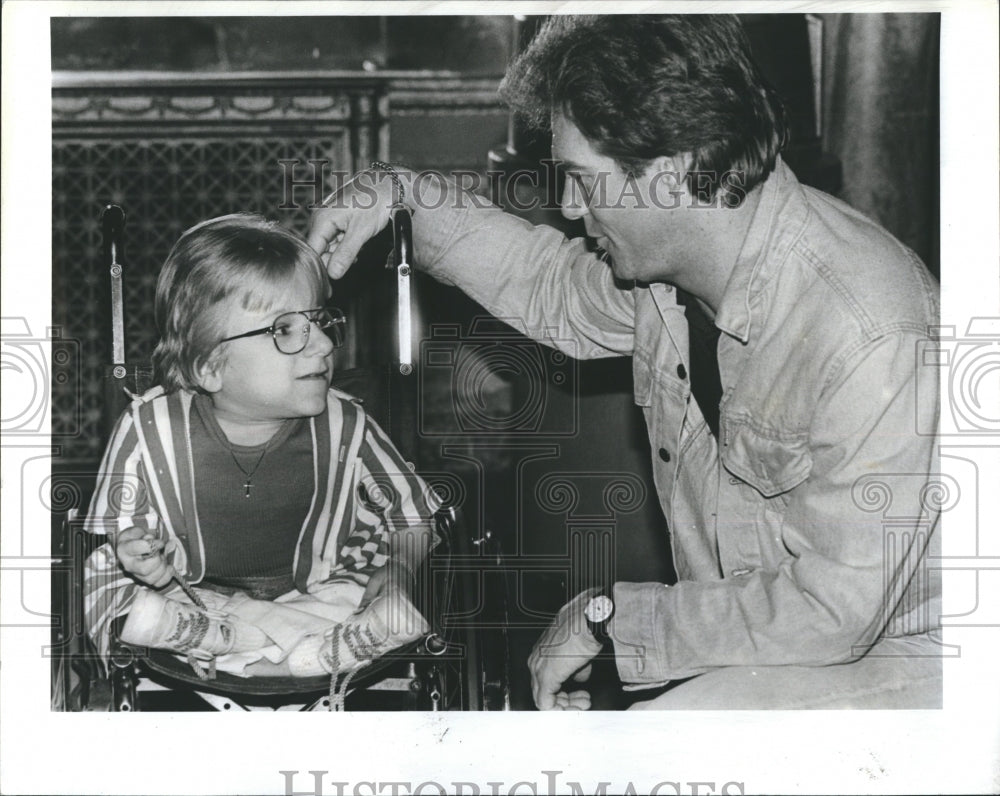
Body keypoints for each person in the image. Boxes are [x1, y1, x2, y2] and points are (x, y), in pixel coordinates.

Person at [307, 15, 941, 709]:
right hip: (783, 651)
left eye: (580, 179)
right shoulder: (674, 273)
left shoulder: (871, 329)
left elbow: (831, 611)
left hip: (907, 669)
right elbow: (548, 286)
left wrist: (612, 619)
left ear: (667, 173)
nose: (571, 208)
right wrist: (401, 194)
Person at [83, 213, 438, 680]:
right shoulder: (149, 428)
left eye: (320, 321)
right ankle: (294, 653)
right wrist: (139, 555)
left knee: (367, 586)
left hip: (318, 594)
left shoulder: (347, 424)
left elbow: (414, 515)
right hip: (190, 595)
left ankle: (256, 644)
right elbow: (125, 533)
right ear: (210, 367)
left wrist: (402, 571)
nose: (325, 345)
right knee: (101, 576)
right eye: (285, 330)